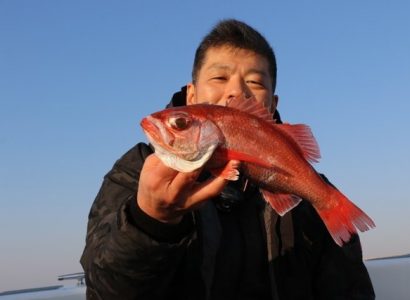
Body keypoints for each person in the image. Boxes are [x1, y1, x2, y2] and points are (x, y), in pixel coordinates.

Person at [80, 19, 375, 300]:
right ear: (192, 95)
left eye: (255, 82)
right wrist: (150, 222)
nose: (236, 91)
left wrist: (326, 201)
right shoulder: (135, 173)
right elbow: (104, 291)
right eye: (220, 77)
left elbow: (350, 290)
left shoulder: (310, 189)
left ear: (272, 105)